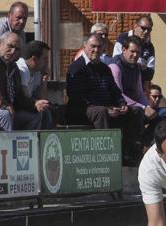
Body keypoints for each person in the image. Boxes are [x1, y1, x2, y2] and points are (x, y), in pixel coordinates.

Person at [66, 33, 143, 166]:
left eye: (99, 47)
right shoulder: (76, 68)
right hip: (83, 110)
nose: (96, 50)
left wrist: (121, 103)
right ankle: (106, 158)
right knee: (100, 112)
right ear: (85, 46)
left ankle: (128, 154)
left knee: (136, 111)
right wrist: (107, 109)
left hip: (107, 108)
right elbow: (76, 97)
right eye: (93, 46)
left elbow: (115, 91)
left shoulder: (104, 68)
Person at [15, 40, 53, 130]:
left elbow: (41, 98)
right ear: (35, 59)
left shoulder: (37, 71)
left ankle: (41, 141)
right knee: (36, 115)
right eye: (45, 58)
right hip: (16, 109)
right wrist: (37, 103)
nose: (47, 62)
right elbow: (26, 97)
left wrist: (44, 80)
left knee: (47, 112)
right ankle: (31, 142)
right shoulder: (21, 69)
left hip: (28, 105)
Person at [0, 31, 34, 131]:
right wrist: (5, 105)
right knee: (5, 115)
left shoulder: (13, 67)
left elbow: (18, 96)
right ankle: (7, 146)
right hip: (3, 108)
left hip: (11, 108)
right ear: (0, 44)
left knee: (36, 115)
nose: (13, 51)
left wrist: (34, 105)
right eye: (10, 46)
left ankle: (29, 145)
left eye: (17, 49)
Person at [113, 15, 155, 87]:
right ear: (135, 26)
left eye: (149, 29)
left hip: (139, 87)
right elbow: (116, 61)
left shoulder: (149, 46)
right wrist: (138, 65)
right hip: (122, 84)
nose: (146, 32)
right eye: (143, 28)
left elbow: (150, 74)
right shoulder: (123, 38)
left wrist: (144, 68)